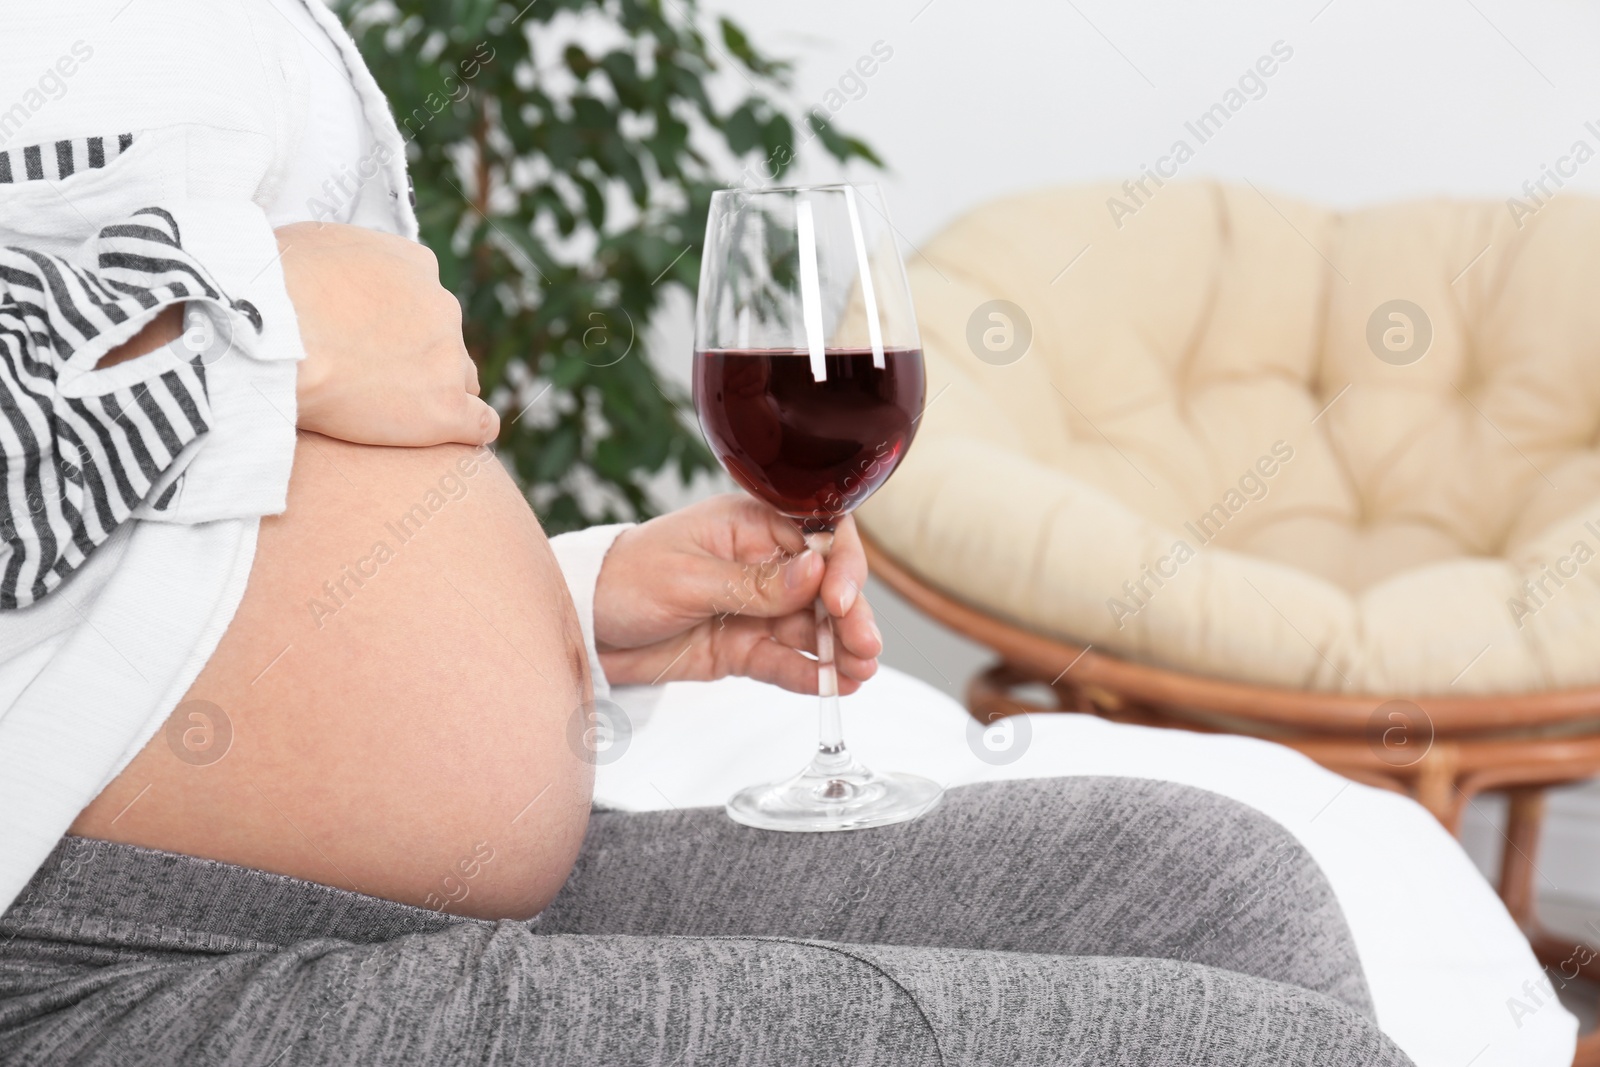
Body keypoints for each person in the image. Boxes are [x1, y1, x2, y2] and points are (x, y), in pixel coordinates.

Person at [0, 2, 1414, 1063]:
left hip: (386, 873)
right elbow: (266, 349)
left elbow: (180, 535)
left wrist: (559, 612)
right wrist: (251, 316)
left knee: (1218, 893)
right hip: (85, 960)